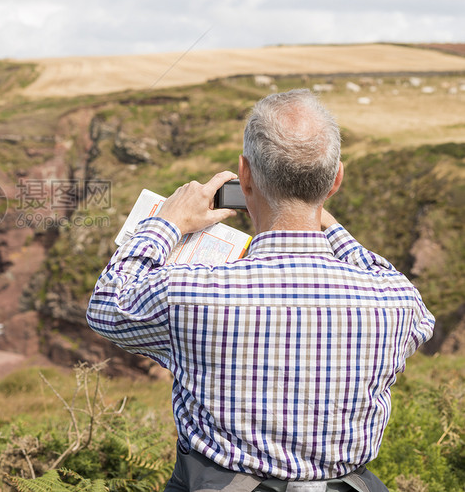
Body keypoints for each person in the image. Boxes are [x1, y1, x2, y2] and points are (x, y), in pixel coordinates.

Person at [87, 89, 435, 492]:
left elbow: (108, 305)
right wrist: (331, 228)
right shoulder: (396, 300)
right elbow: (407, 303)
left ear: (245, 176)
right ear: (335, 179)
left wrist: (168, 222)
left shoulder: (192, 292)